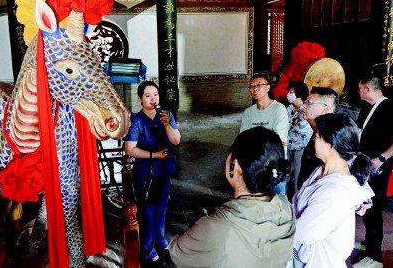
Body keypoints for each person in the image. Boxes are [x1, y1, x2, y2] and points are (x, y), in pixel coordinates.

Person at [169, 127, 295, 268]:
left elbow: (177, 252)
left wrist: (203, 224)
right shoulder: (287, 209)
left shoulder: (215, 227)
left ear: (234, 167)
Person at [293, 113, 374, 267]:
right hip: (305, 256)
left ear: (330, 145)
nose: (313, 140)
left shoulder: (334, 192)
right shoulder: (320, 171)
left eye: (316, 136)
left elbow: (303, 233)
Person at [353, 76, 393, 268]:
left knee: (374, 208)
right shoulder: (367, 106)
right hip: (364, 164)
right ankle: (370, 243)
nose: (358, 92)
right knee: (365, 205)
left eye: (360, 88)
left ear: (367, 89)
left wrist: (381, 159)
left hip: (378, 167)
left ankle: (375, 257)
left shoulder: (390, 108)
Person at [124, 81, 181, 266]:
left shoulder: (167, 115)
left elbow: (175, 140)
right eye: (147, 95)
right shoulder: (137, 120)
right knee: (148, 212)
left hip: (163, 171)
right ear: (140, 99)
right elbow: (130, 149)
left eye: (155, 94)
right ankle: (148, 251)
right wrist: (153, 155)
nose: (152, 99)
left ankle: (161, 240)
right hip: (145, 173)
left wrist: (166, 125)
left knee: (162, 208)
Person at [240, 73, 290, 195]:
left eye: (259, 85)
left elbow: (278, 140)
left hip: (275, 161)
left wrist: (254, 140)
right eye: (251, 86)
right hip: (255, 162)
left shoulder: (279, 109)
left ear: (268, 88)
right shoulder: (248, 112)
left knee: (278, 196)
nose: (254, 89)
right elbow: (243, 139)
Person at [297, 87, 338, 186]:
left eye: (309, 102)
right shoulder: (317, 132)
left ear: (326, 109)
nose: (303, 106)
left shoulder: (331, 140)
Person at [286, 81, 313, 193]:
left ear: (299, 94)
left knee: (298, 174)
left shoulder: (307, 109)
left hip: (301, 148)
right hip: (288, 145)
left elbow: (307, 128)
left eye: (291, 92)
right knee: (286, 172)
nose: (288, 94)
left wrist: (300, 106)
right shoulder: (289, 108)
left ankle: (297, 197)